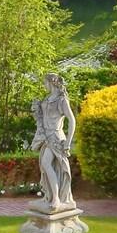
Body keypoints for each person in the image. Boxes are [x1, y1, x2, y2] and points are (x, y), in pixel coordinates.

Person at [31, 73, 77, 211]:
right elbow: (41, 119)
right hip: (46, 138)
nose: (44, 86)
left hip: (56, 138)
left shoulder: (62, 100)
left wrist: (68, 142)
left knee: (46, 164)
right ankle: (51, 196)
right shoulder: (46, 99)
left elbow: (72, 120)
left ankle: (56, 198)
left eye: (45, 83)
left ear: (52, 82)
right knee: (45, 166)